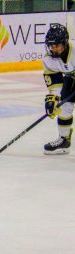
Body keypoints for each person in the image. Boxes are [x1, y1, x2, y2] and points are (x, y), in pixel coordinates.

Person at [41, 23, 75, 155]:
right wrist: (53, 99)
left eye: (57, 45)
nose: (54, 49)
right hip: (71, 78)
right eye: (51, 45)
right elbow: (55, 82)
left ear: (65, 43)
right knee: (64, 105)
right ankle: (64, 140)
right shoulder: (49, 58)